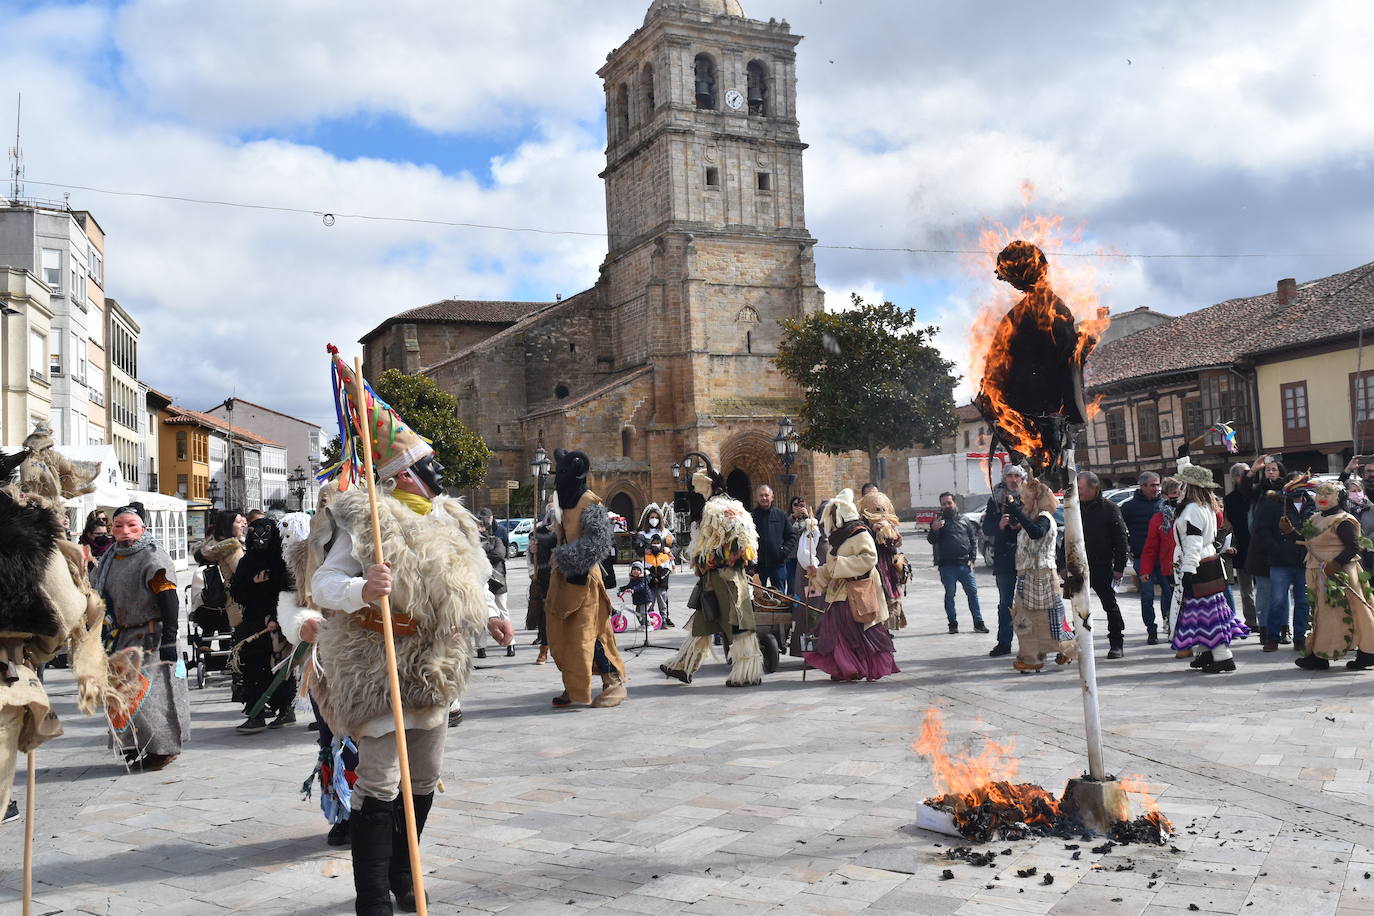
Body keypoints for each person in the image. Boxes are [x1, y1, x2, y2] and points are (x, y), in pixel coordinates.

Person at [310, 356, 512, 915]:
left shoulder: (452, 518)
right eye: (426, 462)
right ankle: (371, 896)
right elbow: (322, 584)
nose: (436, 470)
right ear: (402, 473)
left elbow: (471, 576)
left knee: (424, 778)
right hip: (381, 664)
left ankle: (405, 872)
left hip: (437, 663)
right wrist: (362, 589)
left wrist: (493, 613)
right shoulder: (366, 517)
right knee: (379, 783)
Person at [92, 505, 188, 771]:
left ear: (143, 528)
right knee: (120, 695)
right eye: (118, 525)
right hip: (121, 635)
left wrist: (169, 637)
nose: (124, 531)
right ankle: (136, 743)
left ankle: (162, 748)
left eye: (131, 525)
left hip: (151, 636)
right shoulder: (111, 556)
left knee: (149, 697)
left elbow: (168, 598)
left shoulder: (152, 557)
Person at [660, 466, 766, 687]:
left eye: (698, 485)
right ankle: (683, 665)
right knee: (704, 621)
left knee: (738, 623)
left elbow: (719, 545)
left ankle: (748, 672)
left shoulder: (715, 509)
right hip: (716, 576)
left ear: (709, 485)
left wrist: (703, 561)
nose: (695, 491)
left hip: (725, 577)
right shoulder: (732, 506)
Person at [545, 449, 629, 708]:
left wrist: (565, 557)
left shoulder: (590, 502)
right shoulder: (562, 500)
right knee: (565, 635)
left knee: (592, 634)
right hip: (563, 580)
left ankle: (613, 682)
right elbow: (561, 534)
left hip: (585, 581)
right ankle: (574, 686)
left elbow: (599, 542)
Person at [802, 488, 900, 681]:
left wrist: (840, 565)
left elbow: (869, 558)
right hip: (839, 592)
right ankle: (845, 667)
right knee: (838, 631)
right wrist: (816, 574)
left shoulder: (860, 533)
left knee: (863, 631)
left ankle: (863, 666)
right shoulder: (838, 538)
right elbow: (831, 567)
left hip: (859, 589)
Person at [1170, 455, 1249, 672]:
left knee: (1209, 616)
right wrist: (1182, 459)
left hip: (1198, 566)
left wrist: (1187, 571)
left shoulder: (1193, 510)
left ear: (1190, 487)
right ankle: (1206, 652)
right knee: (1201, 614)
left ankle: (1223, 657)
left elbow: (1193, 544)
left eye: (1183, 484)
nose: (1180, 487)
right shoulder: (1203, 506)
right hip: (1207, 563)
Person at [1294, 480, 1374, 671]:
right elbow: (1307, 542)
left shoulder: (1343, 520)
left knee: (1357, 611)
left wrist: (1335, 564)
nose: (1322, 497)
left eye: (1328, 493)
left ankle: (1368, 652)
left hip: (1341, 574)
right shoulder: (1315, 519)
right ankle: (1319, 654)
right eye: (1320, 493)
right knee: (1323, 614)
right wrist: (1290, 532)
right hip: (1319, 572)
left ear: (1339, 498)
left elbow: (1353, 547)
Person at [230, 517, 296, 733]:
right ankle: (256, 713)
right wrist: (252, 582)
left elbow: (287, 590)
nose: (260, 539)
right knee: (253, 666)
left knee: (279, 665)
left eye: (265, 534)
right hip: (253, 622)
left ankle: (285, 708)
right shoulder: (246, 562)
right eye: (255, 534)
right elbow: (237, 593)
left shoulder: (280, 561)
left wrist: (278, 618)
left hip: (277, 622)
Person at [1004, 477, 1075, 673]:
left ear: (1038, 499)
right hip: (1028, 574)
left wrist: (1016, 510)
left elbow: (1036, 533)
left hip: (1041, 575)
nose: (1024, 500)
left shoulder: (1044, 517)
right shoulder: (1034, 518)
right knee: (1028, 619)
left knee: (1046, 619)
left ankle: (1060, 650)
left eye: (1027, 497)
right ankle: (1034, 657)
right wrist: (1011, 520)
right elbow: (1024, 537)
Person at [1256, 473, 1315, 653]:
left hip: (1304, 560)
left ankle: (1300, 637)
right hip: (1280, 561)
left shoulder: (1312, 504)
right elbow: (1261, 529)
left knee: (1303, 601)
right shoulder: (1275, 503)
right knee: (1277, 601)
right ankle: (1272, 637)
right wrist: (1275, 549)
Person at [1077, 471, 1130, 658]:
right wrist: (1063, 563)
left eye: (1081, 488)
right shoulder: (1074, 508)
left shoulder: (1110, 508)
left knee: (1110, 605)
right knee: (1077, 607)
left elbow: (1121, 541)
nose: (1078, 492)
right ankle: (1080, 643)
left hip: (1102, 565)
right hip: (1079, 565)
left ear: (1094, 488)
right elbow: (1070, 536)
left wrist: (1119, 568)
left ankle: (1117, 643)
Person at [927, 492, 987, 634]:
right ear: (941, 506)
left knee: (973, 594)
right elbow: (932, 540)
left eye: (949, 503)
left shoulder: (964, 520)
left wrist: (972, 560)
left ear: (955, 503)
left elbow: (973, 540)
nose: (947, 506)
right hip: (947, 567)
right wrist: (934, 530)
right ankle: (952, 624)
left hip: (965, 565)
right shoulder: (938, 523)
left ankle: (978, 623)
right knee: (950, 594)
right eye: (944, 504)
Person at [983, 465, 1026, 657]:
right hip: (1004, 558)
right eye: (1010, 475)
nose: (1013, 479)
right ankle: (1004, 642)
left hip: (1027, 557)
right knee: (1005, 604)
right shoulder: (995, 499)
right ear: (1004, 478)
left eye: (1017, 475)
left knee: (1029, 603)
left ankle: (1029, 642)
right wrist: (999, 525)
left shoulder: (1030, 497)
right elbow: (986, 528)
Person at [1120, 471, 1164, 643]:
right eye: (1153, 485)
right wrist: (1129, 545)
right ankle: (1151, 630)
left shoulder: (1163, 504)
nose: (1156, 488)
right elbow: (1119, 529)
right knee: (1147, 596)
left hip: (1163, 557)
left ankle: (1170, 624)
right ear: (1143, 486)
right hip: (1142, 558)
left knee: (1168, 593)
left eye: (1158, 484)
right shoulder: (1129, 507)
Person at [1139, 478, 1183, 637]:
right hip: (1169, 565)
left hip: (1189, 563)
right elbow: (1150, 547)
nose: (1176, 499)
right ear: (1164, 496)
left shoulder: (1189, 511)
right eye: (1173, 495)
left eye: (1178, 495)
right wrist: (1145, 570)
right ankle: (1174, 630)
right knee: (1172, 599)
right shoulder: (1158, 519)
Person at [859, 488, 908, 630]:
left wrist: (892, 535)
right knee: (876, 598)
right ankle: (877, 627)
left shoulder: (889, 522)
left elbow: (898, 542)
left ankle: (888, 626)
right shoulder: (862, 525)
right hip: (872, 565)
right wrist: (873, 531)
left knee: (890, 597)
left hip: (887, 564)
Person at [1223, 462, 1257, 629]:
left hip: (1260, 546)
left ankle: (1266, 621)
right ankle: (1252, 620)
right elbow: (1228, 525)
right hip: (1242, 548)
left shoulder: (1256, 494)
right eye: (1246, 473)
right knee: (1246, 588)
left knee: (1265, 586)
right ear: (1236, 478)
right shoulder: (1229, 499)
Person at [475, 509, 513, 659]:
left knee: (502, 612)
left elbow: (500, 554)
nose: (478, 530)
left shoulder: (495, 539)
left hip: (497, 581)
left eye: (480, 526)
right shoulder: (471, 545)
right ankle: (481, 647)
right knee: (480, 615)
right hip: (482, 582)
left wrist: (483, 556)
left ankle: (511, 644)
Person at [750, 484, 797, 594]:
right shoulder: (751, 516)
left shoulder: (781, 515)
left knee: (779, 597)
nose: (764, 498)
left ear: (772, 497)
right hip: (757, 566)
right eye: (761, 495)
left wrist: (783, 552)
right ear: (757, 497)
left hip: (777, 564)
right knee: (757, 596)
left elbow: (791, 536)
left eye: (766, 495)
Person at [526, 508, 557, 665]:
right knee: (545, 615)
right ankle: (544, 648)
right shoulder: (538, 532)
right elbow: (530, 555)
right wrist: (532, 571)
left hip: (565, 577)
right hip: (545, 578)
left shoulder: (568, 531)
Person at [644, 532, 675, 627]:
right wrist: (653, 578)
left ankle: (664, 620)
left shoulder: (664, 556)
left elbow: (667, 569)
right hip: (651, 585)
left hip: (662, 585)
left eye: (658, 542)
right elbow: (646, 570)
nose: (656, 544)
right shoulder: (647, 556)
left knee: (662, 604)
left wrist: (660, 578)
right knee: (650, 603)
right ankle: (651, 620)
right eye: (654, 542)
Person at [785, 497, 810, 596]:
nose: (798, 507)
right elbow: (785, 529)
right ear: (791, 507)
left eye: (801, 505)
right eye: (795, 505)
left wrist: (807, 517)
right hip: (792, 557)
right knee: (792, 584)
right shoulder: (788, 519)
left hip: (806, 558)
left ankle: (810, 607)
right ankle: (793, 607)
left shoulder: (810, 519)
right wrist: (794, 516)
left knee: (808, 584)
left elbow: (814, 532)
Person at [618, 561, 653, 625]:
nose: (635, 571)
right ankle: (642, 625)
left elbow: (641, 586)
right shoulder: (633, 579)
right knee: (637, 613)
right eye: (634, 569)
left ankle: (648, 625)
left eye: (638, 570)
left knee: (643, 612)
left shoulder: (643, 579)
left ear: (641, 571)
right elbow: (628, 586)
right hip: (639, 600)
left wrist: (633, 590)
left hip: (646, 599)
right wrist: (621, 589)